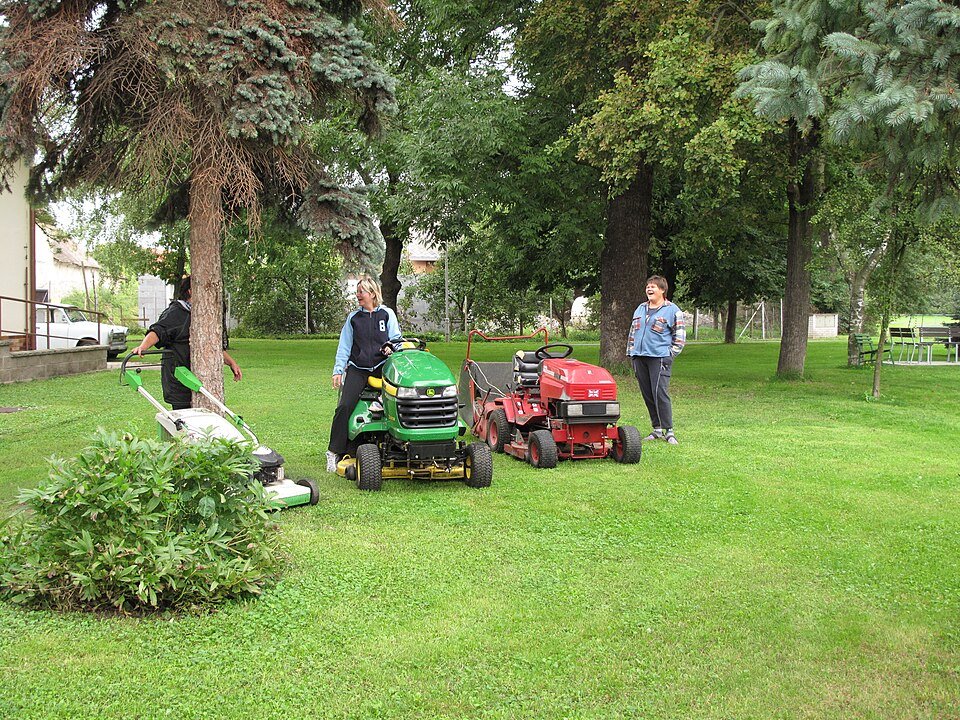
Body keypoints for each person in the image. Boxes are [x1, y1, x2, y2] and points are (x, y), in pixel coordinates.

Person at [327, 276, 401, 472]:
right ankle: (334, 452)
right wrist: (338, 371)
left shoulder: (387, 314)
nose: (358, 295)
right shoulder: (353, 318)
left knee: (396, 399)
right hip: (358, 368)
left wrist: (390, 348)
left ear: (372, 294)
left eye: (362, 291)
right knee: (344, 406)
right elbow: (344, 346)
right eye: (358, 291)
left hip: (383, 365)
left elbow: (396, 340)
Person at [133, 276, 242, 409]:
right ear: (190, 291)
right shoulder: (177, 312)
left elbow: (210, 346)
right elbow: (158, 331)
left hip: (200, 383)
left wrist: (231, 363)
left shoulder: (203, 315)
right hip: (180, 382)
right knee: (185, 424)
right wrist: (143, 346)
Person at [626, 275, 686, 444]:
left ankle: (669, 431)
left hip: (659, 358)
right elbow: (633, 332)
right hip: (639, 357)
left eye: (653, 287)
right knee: (648, 394)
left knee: (660, 393)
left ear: (662, 290)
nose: (649, 289)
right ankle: (657, 428)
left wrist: (669, 354)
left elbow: (680, 337)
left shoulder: (673, 310)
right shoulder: (640, 308)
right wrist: (631, 352)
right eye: (647, 287)